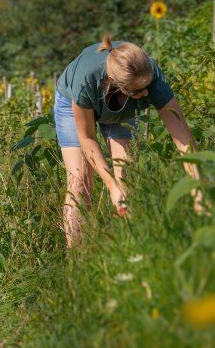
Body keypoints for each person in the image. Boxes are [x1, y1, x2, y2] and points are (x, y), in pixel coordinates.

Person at [54, 35, 202, 246]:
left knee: (126, 179)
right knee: (79, 182)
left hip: (121, 107)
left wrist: (199, 190)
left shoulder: (150, 79)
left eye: (146, 88)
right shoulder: (86, 81)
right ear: (114, 82)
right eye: (137, 91)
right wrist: (110, 186)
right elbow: (87, 139)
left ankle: (130, 251)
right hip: (72, 102)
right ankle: (76, 263)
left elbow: (183, 139)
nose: (144, 94)